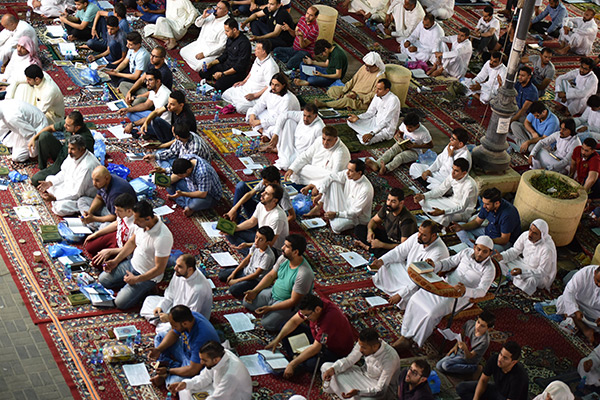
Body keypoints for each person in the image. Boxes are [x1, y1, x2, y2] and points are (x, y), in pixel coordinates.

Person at [396, 236, 496, 348]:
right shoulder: (466, 252)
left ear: (490, 253)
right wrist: (435, 265)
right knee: (415, 299)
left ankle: (415, 340)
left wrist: (466, 291)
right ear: (474, 247)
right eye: (478, 249)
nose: (480, 254)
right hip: (445, 284)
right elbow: (449, 262)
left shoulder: (490, 269)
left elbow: (482, 291)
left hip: (461, 296)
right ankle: (405, 334)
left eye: (485, 252)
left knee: (431, 312)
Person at [98, 200, 174, 310]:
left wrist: (136, 279)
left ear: (148, 218)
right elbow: (132, 243)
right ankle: (129, 285)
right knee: (103, 279)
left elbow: (159, 269)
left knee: (120, 303)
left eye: (137, 220)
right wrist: (116, 261)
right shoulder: (141, 225)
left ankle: (145, 290)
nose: (134, 222)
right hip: (132, 264)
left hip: (146, 275)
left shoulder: (163, 237)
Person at [265, 294, 354, 378]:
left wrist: (292, 364)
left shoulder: (329, 320)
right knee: (284, 327)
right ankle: (296, 357)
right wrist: (277, 339)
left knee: (311, 363)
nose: (305, 318)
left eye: (307, 315)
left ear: (317, 310)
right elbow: (294, 321)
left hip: (332, 349)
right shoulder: (315, 305)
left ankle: (296, 361)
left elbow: (317, 347)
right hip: (316, 336)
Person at [371, 220, 449, 308]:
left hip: (419, 283)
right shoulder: (417, 237)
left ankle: (398, 294)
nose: (419, 236)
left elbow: (424, 279)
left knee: (409, 297)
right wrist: (381, 261)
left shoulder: (439, 252)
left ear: (433, 235)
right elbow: (399, 251)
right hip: (406, 271)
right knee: (386, 265)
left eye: (424, 235)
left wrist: (401, 295)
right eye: (419, 232)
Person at [243, 234, 314, 331]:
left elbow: (293, 301)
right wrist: (255, 291)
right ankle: (271, 307)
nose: (282, 248)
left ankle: (293, 318)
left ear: (295, 252)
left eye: (287, 246)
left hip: (287, 302)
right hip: (273, 292)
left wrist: (270, 308)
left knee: (267, 324)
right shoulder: (284, 258)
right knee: (247, 302)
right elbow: (271, 276)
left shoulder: (304, 274)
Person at [148, 305, 220, 386]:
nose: (173, 328)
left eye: (175, 326)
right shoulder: (189, 316)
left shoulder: (201, 338)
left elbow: (193, 370)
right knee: (160, 337)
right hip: (185, 349)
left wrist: (168, 371)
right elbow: (173, 333)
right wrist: (158, 349)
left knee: (172, 384)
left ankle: (168, 370)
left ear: (185, 323)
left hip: (194, 362)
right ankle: (171, 365)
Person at [321, 328, 401, 400]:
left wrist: (359, 392)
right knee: (326, 367)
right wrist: (333, 369)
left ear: (375, 346)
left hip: (376, 386)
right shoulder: (364, 344)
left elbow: (381, 390)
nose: (360, 350)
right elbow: (349, 360)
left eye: (364, 348)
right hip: (362, 375)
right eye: (360, 346)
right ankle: (345, 393)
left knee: (362, 398)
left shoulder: (390, 358)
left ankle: (344, 392)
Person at [141, 254, 213, 332]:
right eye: (176, 264)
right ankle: (160, 320)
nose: (175, 268)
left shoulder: (198, 290)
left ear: (190, 269)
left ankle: (161, 322)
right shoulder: (180, 273)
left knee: (165, 331)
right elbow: (170, 294)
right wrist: (161, 307)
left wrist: (169, 318)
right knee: (149, 300)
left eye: (179, 266)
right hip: (175, 308)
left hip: (187, 319)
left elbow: (190, 317)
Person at [302, 159, 374, 234]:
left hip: (356, 218)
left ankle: (331, 215)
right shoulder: (349, 174)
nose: (347, 172)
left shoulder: (366, 189)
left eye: (351, 171)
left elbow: (355, 213)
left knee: (337, 227)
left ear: (359, 173)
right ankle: (319, 207)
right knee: (333, 182)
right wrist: (320, 194)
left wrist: (336, 214)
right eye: (348, 169)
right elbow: (330, 177)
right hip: (344, 205)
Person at [36, 135, 101, 216]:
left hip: (82, 196)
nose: (69, 151)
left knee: (60, 207)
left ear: (82, 149)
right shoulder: (73, 155)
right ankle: (56, 198)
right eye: (69, 148)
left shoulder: (88, 166)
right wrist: (50, 183)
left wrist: (55, 197)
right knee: (49, 178)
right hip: (69, 187)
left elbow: (77, 193)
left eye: (72, 149)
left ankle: (62, 202)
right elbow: (64, 172)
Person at [168, 341, 253, 400]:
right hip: (219, 389)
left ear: (216, 360)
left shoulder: (230, 375)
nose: (201, 362)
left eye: (204, 360)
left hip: (233, 396)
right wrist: (186, 384)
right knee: (185, 389)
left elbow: (218, 398)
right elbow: (204, 378)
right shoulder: (219, 355)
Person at [29, 111, 95, 186]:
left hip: (70, 162)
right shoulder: (68, 124)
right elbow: (51, 127)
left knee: (35, 180)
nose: (64, 126)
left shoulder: (85, 139)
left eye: (68, 125)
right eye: (65, 123)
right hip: (63, 152)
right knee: (44, 136)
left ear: (77, 127)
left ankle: (50, 173)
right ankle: (42, 168)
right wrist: (34, 138)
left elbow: (84, 161)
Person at [495, 219, 557, 296]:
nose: (530, 234)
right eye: (530, 230)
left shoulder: (547, 249)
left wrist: (522, 272)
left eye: (535, 233)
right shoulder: (525, 235)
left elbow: (542, 272)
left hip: (538, 273)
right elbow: (515, 250)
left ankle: (512, 277)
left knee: (531, 281)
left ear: (542, 235)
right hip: (523, 264)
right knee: (501, 261)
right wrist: (502, 256)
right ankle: (513, 277)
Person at [450, 187, 521, 252]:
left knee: (489, 253)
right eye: (483, 203)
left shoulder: (507, 214)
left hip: (501, 242)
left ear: (497, 203)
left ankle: (474, 246)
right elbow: (477, 222)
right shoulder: (487, 206)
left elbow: (504, 240)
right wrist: (461, 227)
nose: (484, 206)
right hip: (488, 232)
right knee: (460, 226)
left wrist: (484, 241)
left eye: (487, 204)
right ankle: (475, 247)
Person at [354, 187, 418, 257]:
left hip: (396, 244)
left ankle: (368, 247)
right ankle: (373, 247)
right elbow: (374, 220)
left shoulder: (407, 220)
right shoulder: (387, 207)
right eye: (388, 200)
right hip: (387, 237)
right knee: (359, 229)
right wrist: (370, 231)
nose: (389, 203)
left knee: (383, 254)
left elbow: (403, 246)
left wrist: (381, 245)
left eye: (393, 201)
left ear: (401, 203)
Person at [414, 159, 478, 226]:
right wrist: (423, 196)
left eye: (456, 171)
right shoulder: (452, 176)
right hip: (450, 202)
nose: (452, 172)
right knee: (424, 200)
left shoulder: (470, 186)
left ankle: (438, 220)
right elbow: (440, 190)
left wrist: (443, 212)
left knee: (444, 218)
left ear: (464, 173)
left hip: (463, 212)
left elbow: (462, 207)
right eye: (452, 169)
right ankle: (435, 216)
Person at [456, 341, 529, 400]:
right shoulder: (495, 359)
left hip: (506, 397)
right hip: (497, 389)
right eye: (500, 354)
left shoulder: (519, 377)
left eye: (505, 358)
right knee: (461, 387)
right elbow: (483, 381)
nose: (500, 359)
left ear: (513, 362)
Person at [222, 39, 279, 114]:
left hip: (257, 94)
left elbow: (270, 86)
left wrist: (255, 95)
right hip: (246, 87)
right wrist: (243, 82)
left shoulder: (271, 66)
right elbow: (251, 72)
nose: (255, 49)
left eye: (258, 48)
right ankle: (235, 103)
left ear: (264, 51)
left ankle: (257, 108)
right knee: (225, 94)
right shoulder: (258, 59)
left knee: (240, 107)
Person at [315, 52, 386, 111]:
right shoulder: (364, 68)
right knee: (332, 90)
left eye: (369, 67)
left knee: (347, 100)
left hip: (362, 101)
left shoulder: (380, 77)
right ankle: (343, 103)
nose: (366, 68)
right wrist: (343, 91)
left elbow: (374, 95)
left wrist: (357, 96)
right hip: (351, 92)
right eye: (366, 65)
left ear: (376, 66)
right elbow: (353, 81)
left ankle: (325, 104)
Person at [365, 112, 431, 174]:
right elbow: (399, 133)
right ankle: (377, 164)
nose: (407, 129)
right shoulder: (405, 124)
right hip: (403, 144)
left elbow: (430, 145)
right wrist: (398, 137)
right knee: (391, 151)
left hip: (415, 151)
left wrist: (414, 146)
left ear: (417, 126)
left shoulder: (424, 132)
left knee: (400, 157)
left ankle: (386, 169)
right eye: (406, 127)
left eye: (410, 127)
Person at [219, 227, 276, 297]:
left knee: (233, 290)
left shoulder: (267, 256)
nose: (256, 241)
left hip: (254, 279)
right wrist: (234, 273)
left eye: (261, 239)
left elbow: (256, 275)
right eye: (256, 237)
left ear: (268, 243)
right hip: (246, 271)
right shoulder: (255, 245)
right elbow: (246, 260)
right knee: (221, 275)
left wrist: (237, 280)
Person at [226, 165, 295, 224]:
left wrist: (274, 225)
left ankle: (240, 222)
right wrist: (234, 209)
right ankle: (234, 216)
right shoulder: (266, 182)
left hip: (264, 217)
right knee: (241, 186)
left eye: (266, 182)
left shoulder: (283, 195)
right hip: (258, 208)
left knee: (249, 226)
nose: (263, 184)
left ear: (274, 182)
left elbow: (292, 215)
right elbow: (250, 194)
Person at [284, 126, 351, 185]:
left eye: (329, 140)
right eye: (323, 139)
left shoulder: (340, 152)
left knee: (332, 181)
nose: (325, 143)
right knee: (299, 168)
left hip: (331, 177)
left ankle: (315, 185)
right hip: (316, 172)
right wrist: (292, 168)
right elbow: (306, 155)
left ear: (335, 139)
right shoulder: (319, 140)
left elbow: (335, 176)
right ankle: (316, 183)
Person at [199, 18, 252, 92]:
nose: (225, 33)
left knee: (219, 85)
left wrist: (223, 74)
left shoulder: (244, 43)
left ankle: (219, 80)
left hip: (236, 72)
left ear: (234, 30)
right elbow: (224, 55)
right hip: (226, 65)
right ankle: (217, 78)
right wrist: (210, 64)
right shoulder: (230, 38)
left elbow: (239, 66)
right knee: (202, 72)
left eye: (227, 31)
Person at [229, 183, 289, 249]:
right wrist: (234, 228)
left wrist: (247, 245)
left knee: (238, 240)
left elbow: (269, 244)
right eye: (264, 191)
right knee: (229, 232)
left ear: (274, 200)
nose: (262, 194)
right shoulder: (261, 204)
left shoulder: (277, 218)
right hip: (261, 237)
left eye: (267, 194)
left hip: (271, 248)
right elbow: (252, 222)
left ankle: (248, 251)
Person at [246, 73, 300, 139]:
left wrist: (260, 122)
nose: (273, 87)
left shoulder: (287, 99)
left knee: (278, 129)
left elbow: (281, 119)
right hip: (270, 116)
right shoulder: (270, 90)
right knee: (251, 111)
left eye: (277, 85)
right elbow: (261, 104)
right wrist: (253, 114)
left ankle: (264, 133)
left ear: (283, 86)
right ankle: (263, 132)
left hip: (285, 121)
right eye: (272, 84)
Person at [347, 78, 401, 145]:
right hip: (374, 122)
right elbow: (370, 112)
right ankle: (364, 133)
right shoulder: (377, 95)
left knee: (365, 142)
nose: (376, 91)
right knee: (350, 120)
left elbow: (386, 121)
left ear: (387, 90)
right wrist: (358, 117)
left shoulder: (393, 100)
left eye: (379, 89)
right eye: (376, 88)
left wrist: (372, 133)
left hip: (385, 129)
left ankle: (365, 133)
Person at [179, 1, 229, 72]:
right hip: (199, 45)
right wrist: (203, 17)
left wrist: (204, 54)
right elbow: (197, 24)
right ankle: (193, 63)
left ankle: (194, 64)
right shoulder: (211, 15)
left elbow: (222, 46)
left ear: (226, 12)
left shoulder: (227, 24)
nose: (215, 9)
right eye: (216, 6)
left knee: (200, 66)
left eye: (219, 8)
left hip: (211, 52)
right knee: (182, 51)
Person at [84, 192, 136, 260]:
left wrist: (110, 251)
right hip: (116, 236)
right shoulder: (122, 214)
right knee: (89, 246)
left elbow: (130, 248)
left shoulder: (135, 225)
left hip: (123, 248)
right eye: (115, 209)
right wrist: (96, 234)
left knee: (98, 262)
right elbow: (116, 224)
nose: (115, 212)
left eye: (119, 210)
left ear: (129, 211)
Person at [271, 103, 325, 169]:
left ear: (315, 116)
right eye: (304, 115)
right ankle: (281, 150)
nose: (305, 119)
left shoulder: (319, 128)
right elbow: (283, 115)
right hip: (293, 146)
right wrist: (275, 134)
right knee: (289, 121)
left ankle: (280, 150)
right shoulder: (301, 115)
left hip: (302, 155)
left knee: (285, 165)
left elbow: (320, 149)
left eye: (309, 116)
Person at [557, 265, 600, 344]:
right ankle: (585, 329)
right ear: (594, 273)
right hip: (578, 302)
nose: (599, 284)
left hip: (595, 311)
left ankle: (574, 320)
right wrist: (575, 310)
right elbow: (569, 291)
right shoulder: (585, 273)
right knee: (563, 301)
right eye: (597, 280)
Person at [119, 69, 171, 135]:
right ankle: (140, 128)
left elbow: (154, 116)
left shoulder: (165, 95)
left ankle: (142, 129)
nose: (147, 83)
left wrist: (133, 124)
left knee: (145, 128)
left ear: (158, 81)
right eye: (146, 80)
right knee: (129, 113)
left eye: (150, 80)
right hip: (153, 116)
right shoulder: (153, 89)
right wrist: (127, 109)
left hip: (161, 124)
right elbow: (146, 105)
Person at [144, 124, 210, 175]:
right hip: (181, 160)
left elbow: (185, 168)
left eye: (173, 133)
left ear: (177, 137)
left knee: (174, 182)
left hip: (191, 169)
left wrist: (165, 170)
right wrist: (155, 156)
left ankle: (167, 172)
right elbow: (172, 151)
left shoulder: (195, 149)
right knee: (159, 153)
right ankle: (167, 170)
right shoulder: (185, 136)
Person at [272, 6, 319, 71]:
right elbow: (294, 34)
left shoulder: (314, 30)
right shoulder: (302, 19)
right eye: (307, 13)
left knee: (290, 65)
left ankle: (295, 62)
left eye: (311, 15)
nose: (307, 16)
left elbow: (303, 46)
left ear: (316, 17)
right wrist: (289, 29)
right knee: (276, 51)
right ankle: (292, 60)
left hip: (305, 52)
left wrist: (301, 37)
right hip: (294, 48)